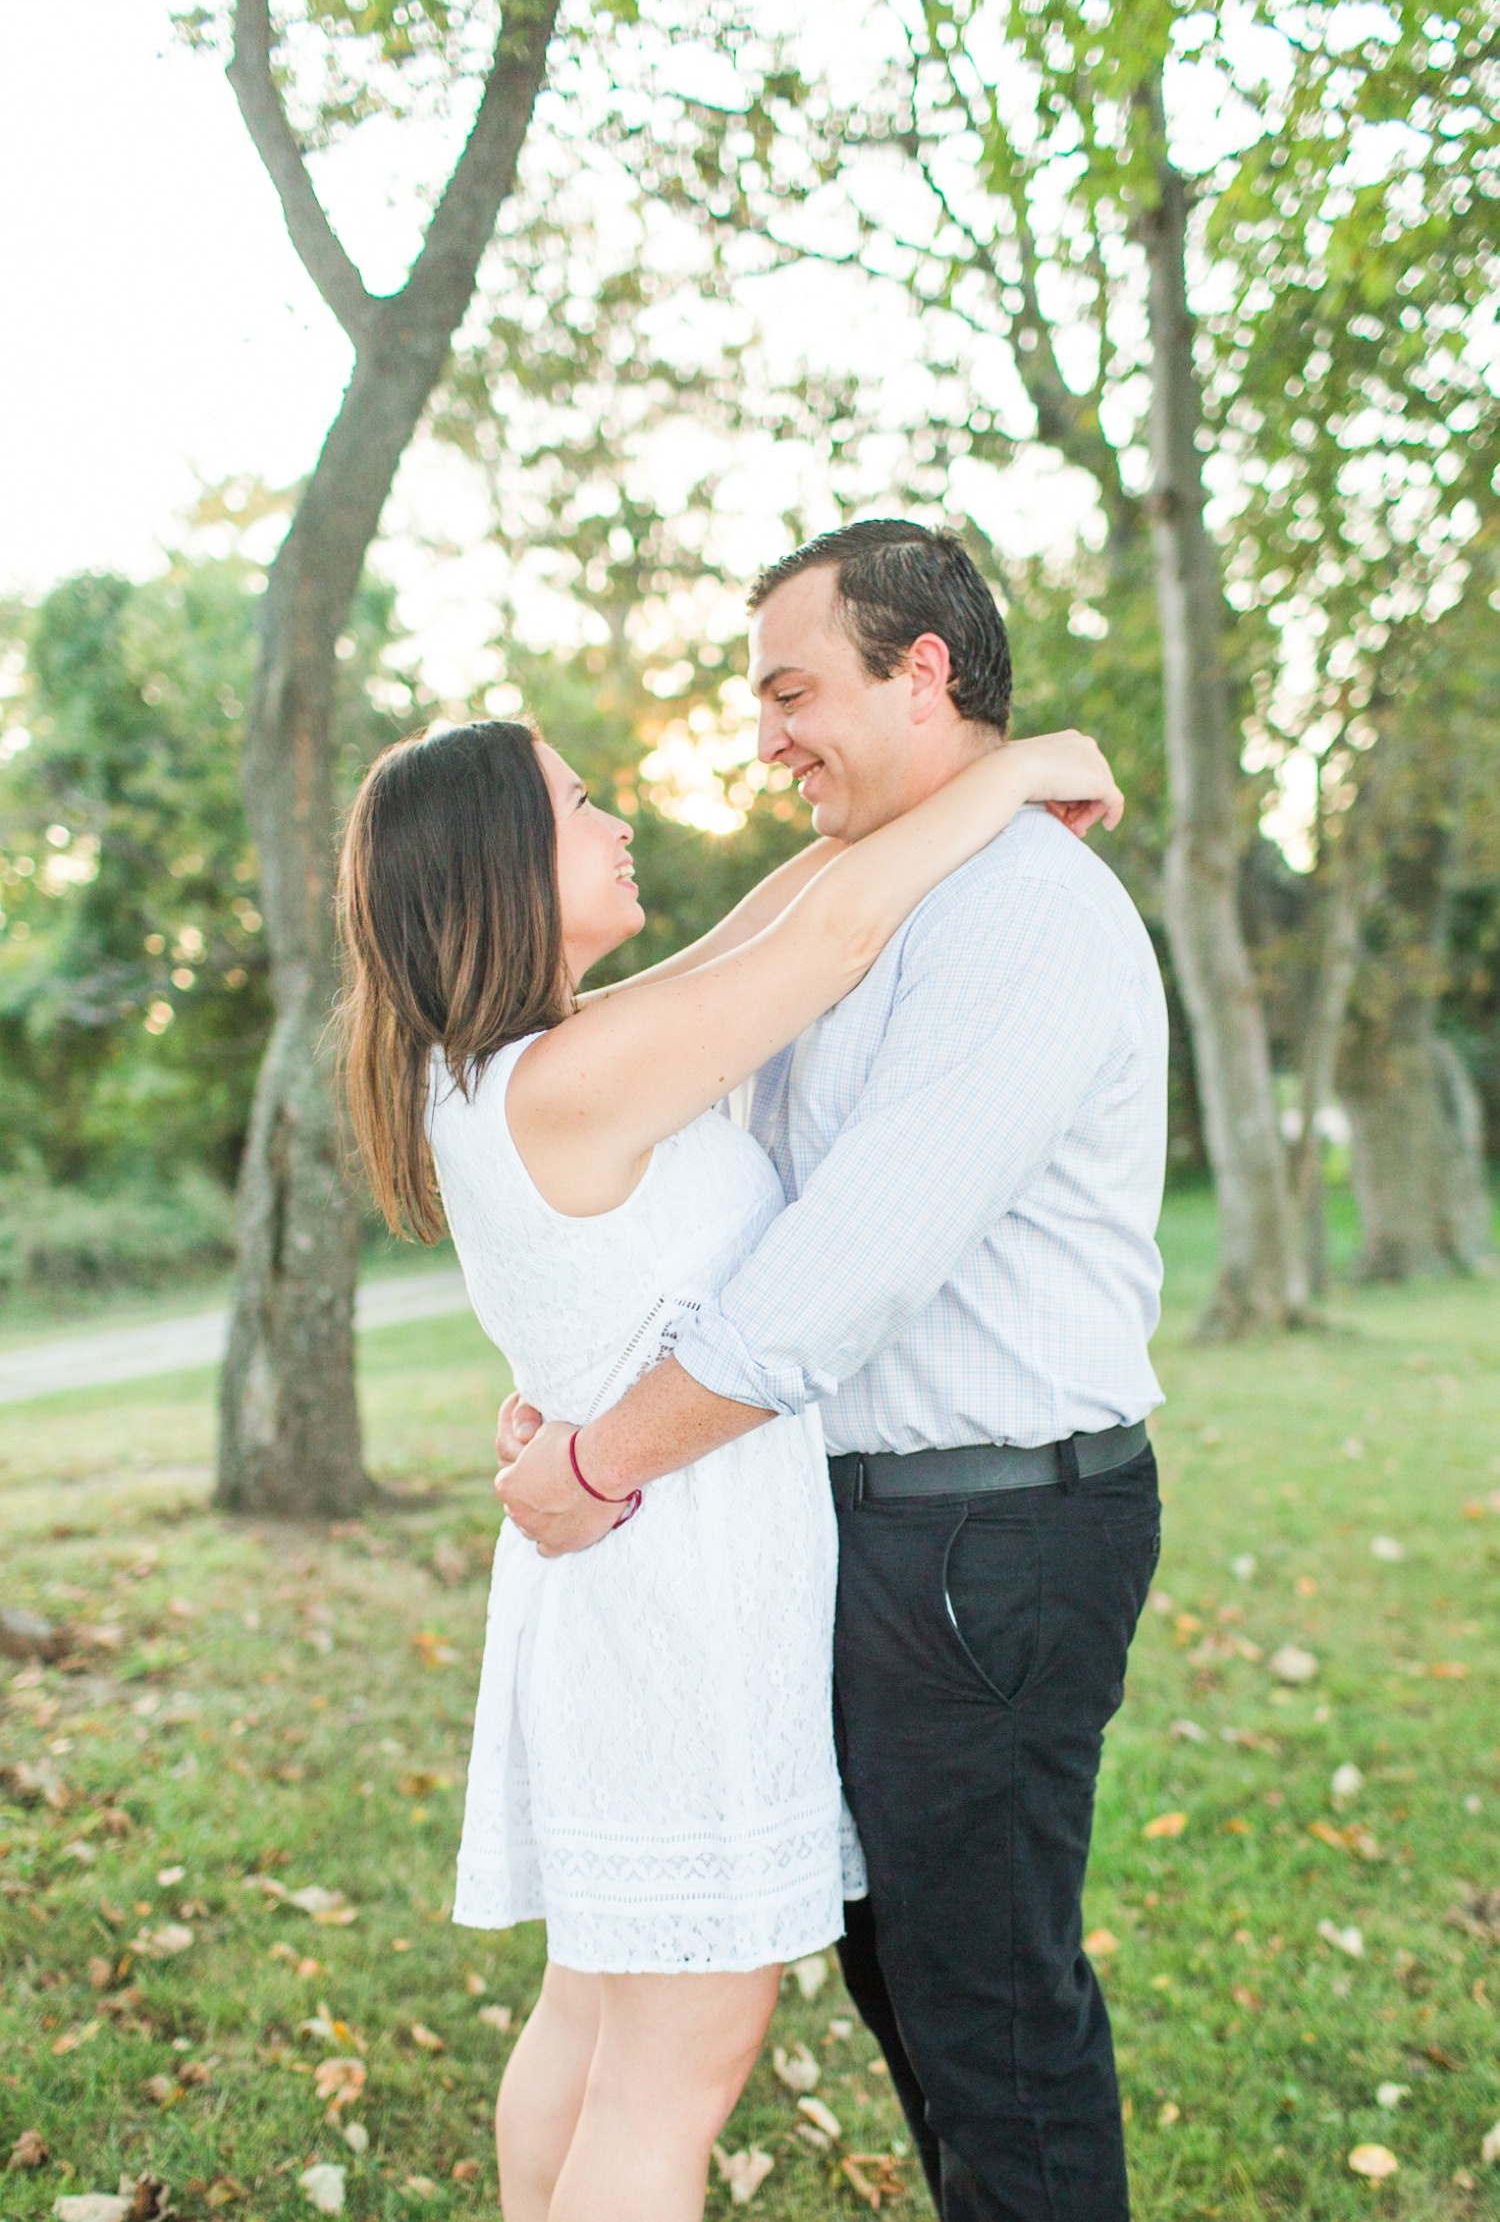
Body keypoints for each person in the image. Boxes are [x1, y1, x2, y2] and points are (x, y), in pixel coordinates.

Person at [336, 689, 1121, 2222]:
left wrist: (905, 811)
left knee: (597, 2017)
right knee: (675, 2062)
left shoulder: (505, 1068)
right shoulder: (575, 1077)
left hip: (618, 1592)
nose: (619, 821)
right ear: (500, 870)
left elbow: (784, 913)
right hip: (675, 1609)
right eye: (578, 807)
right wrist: (1019, 769)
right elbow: (821, 953)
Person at [497, 520, 1169, 2222]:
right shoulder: (884, 892)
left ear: (922, 670)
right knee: (925, 2011)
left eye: (794, 690)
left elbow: (826, 1279)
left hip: (988, 1541)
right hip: (866, 1539)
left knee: (993, 2026)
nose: (767, 731)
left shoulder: (1022, 915)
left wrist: (599, 1462)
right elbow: (720, 1052)